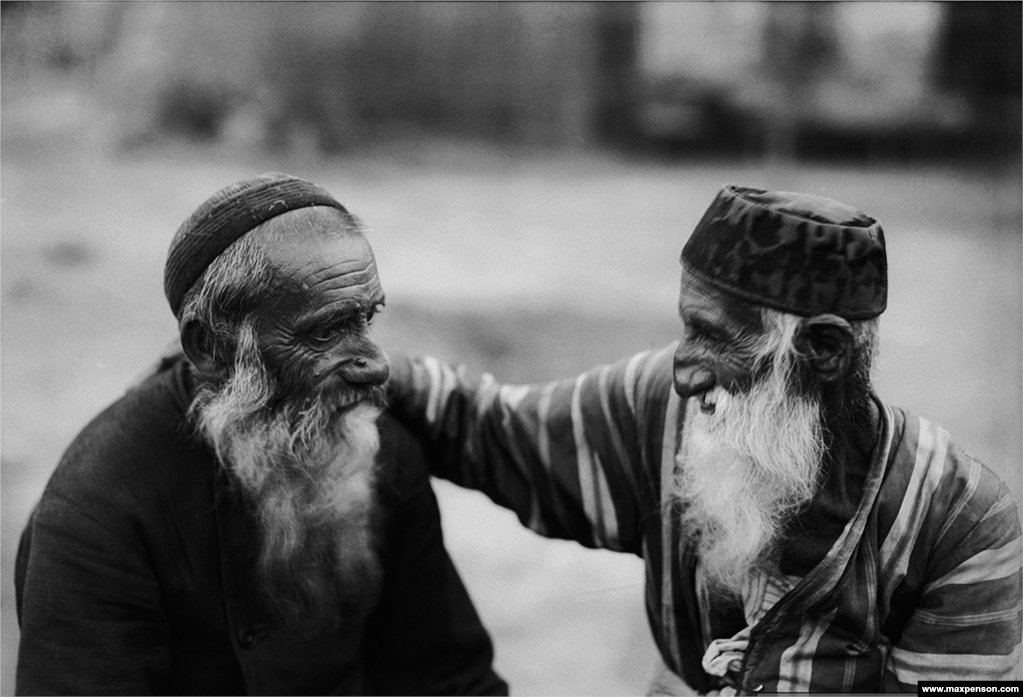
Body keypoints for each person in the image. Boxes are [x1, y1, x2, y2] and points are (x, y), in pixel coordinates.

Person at [387, 185, 1022, 693]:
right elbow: (490, 427)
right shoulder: (657, 410)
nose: (682, 372)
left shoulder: (960, 524)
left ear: (823, 351)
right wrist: (363, 361)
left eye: (713, 337)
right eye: (685, 330)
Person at [15, 173, 507, 696]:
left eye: (368, 317)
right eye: (324, 331)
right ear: (210, 347)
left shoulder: (376, 450)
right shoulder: (96, 514)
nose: (378, 365)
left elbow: (452, 679)